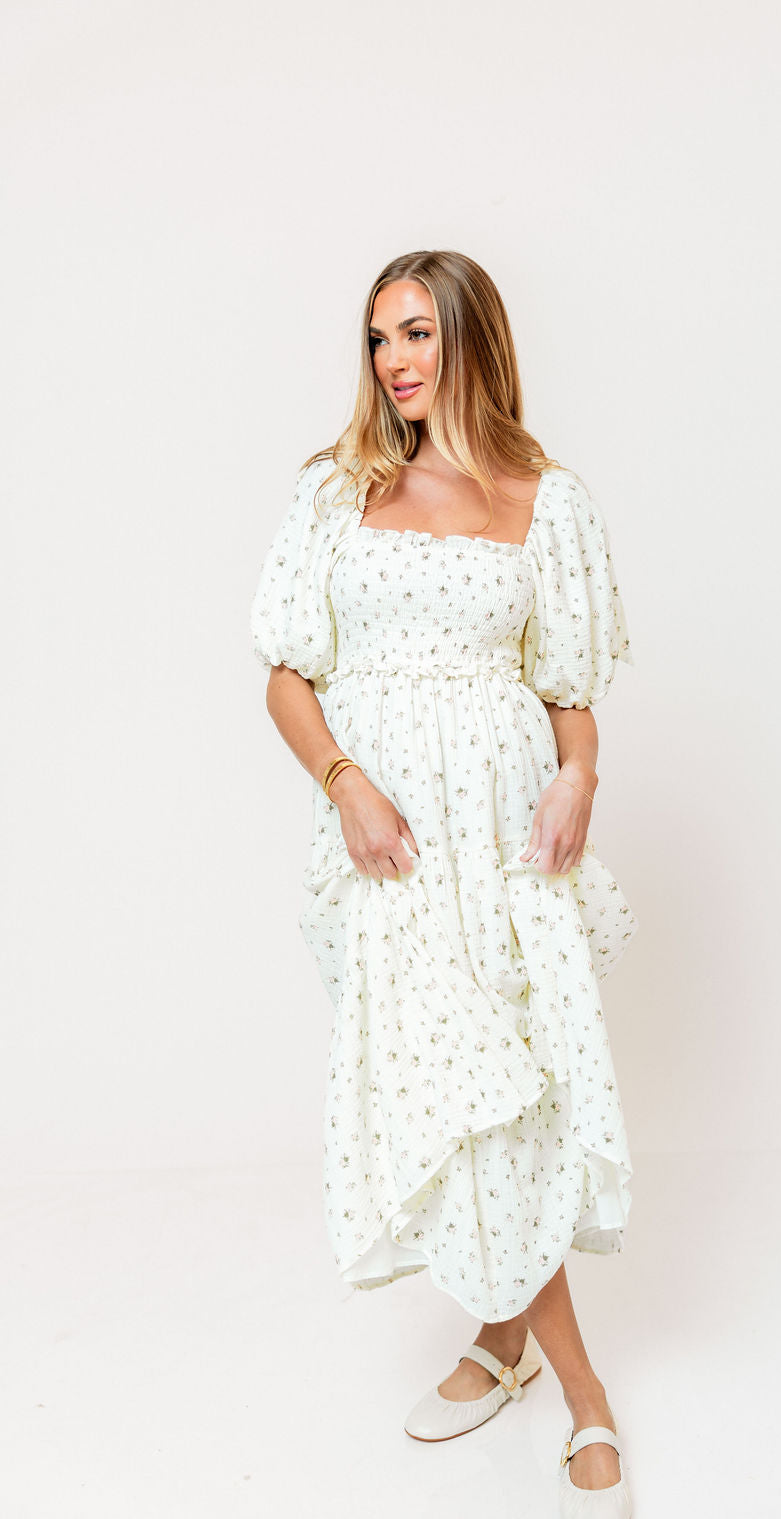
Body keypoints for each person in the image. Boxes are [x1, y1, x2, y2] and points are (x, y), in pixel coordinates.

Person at [250, 250, 639, 1516]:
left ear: (471, 337)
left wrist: (578, 777)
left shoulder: (547, 502)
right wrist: (347, 783)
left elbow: (568, 691)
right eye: (378, 339)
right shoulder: (338, 490)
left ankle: (514, 1347)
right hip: (393, 847)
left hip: (509, 843)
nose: (394, 361)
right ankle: (576, 1386)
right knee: (469, 1091)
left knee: (508, 1098)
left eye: (416, 332)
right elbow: (286, 677)